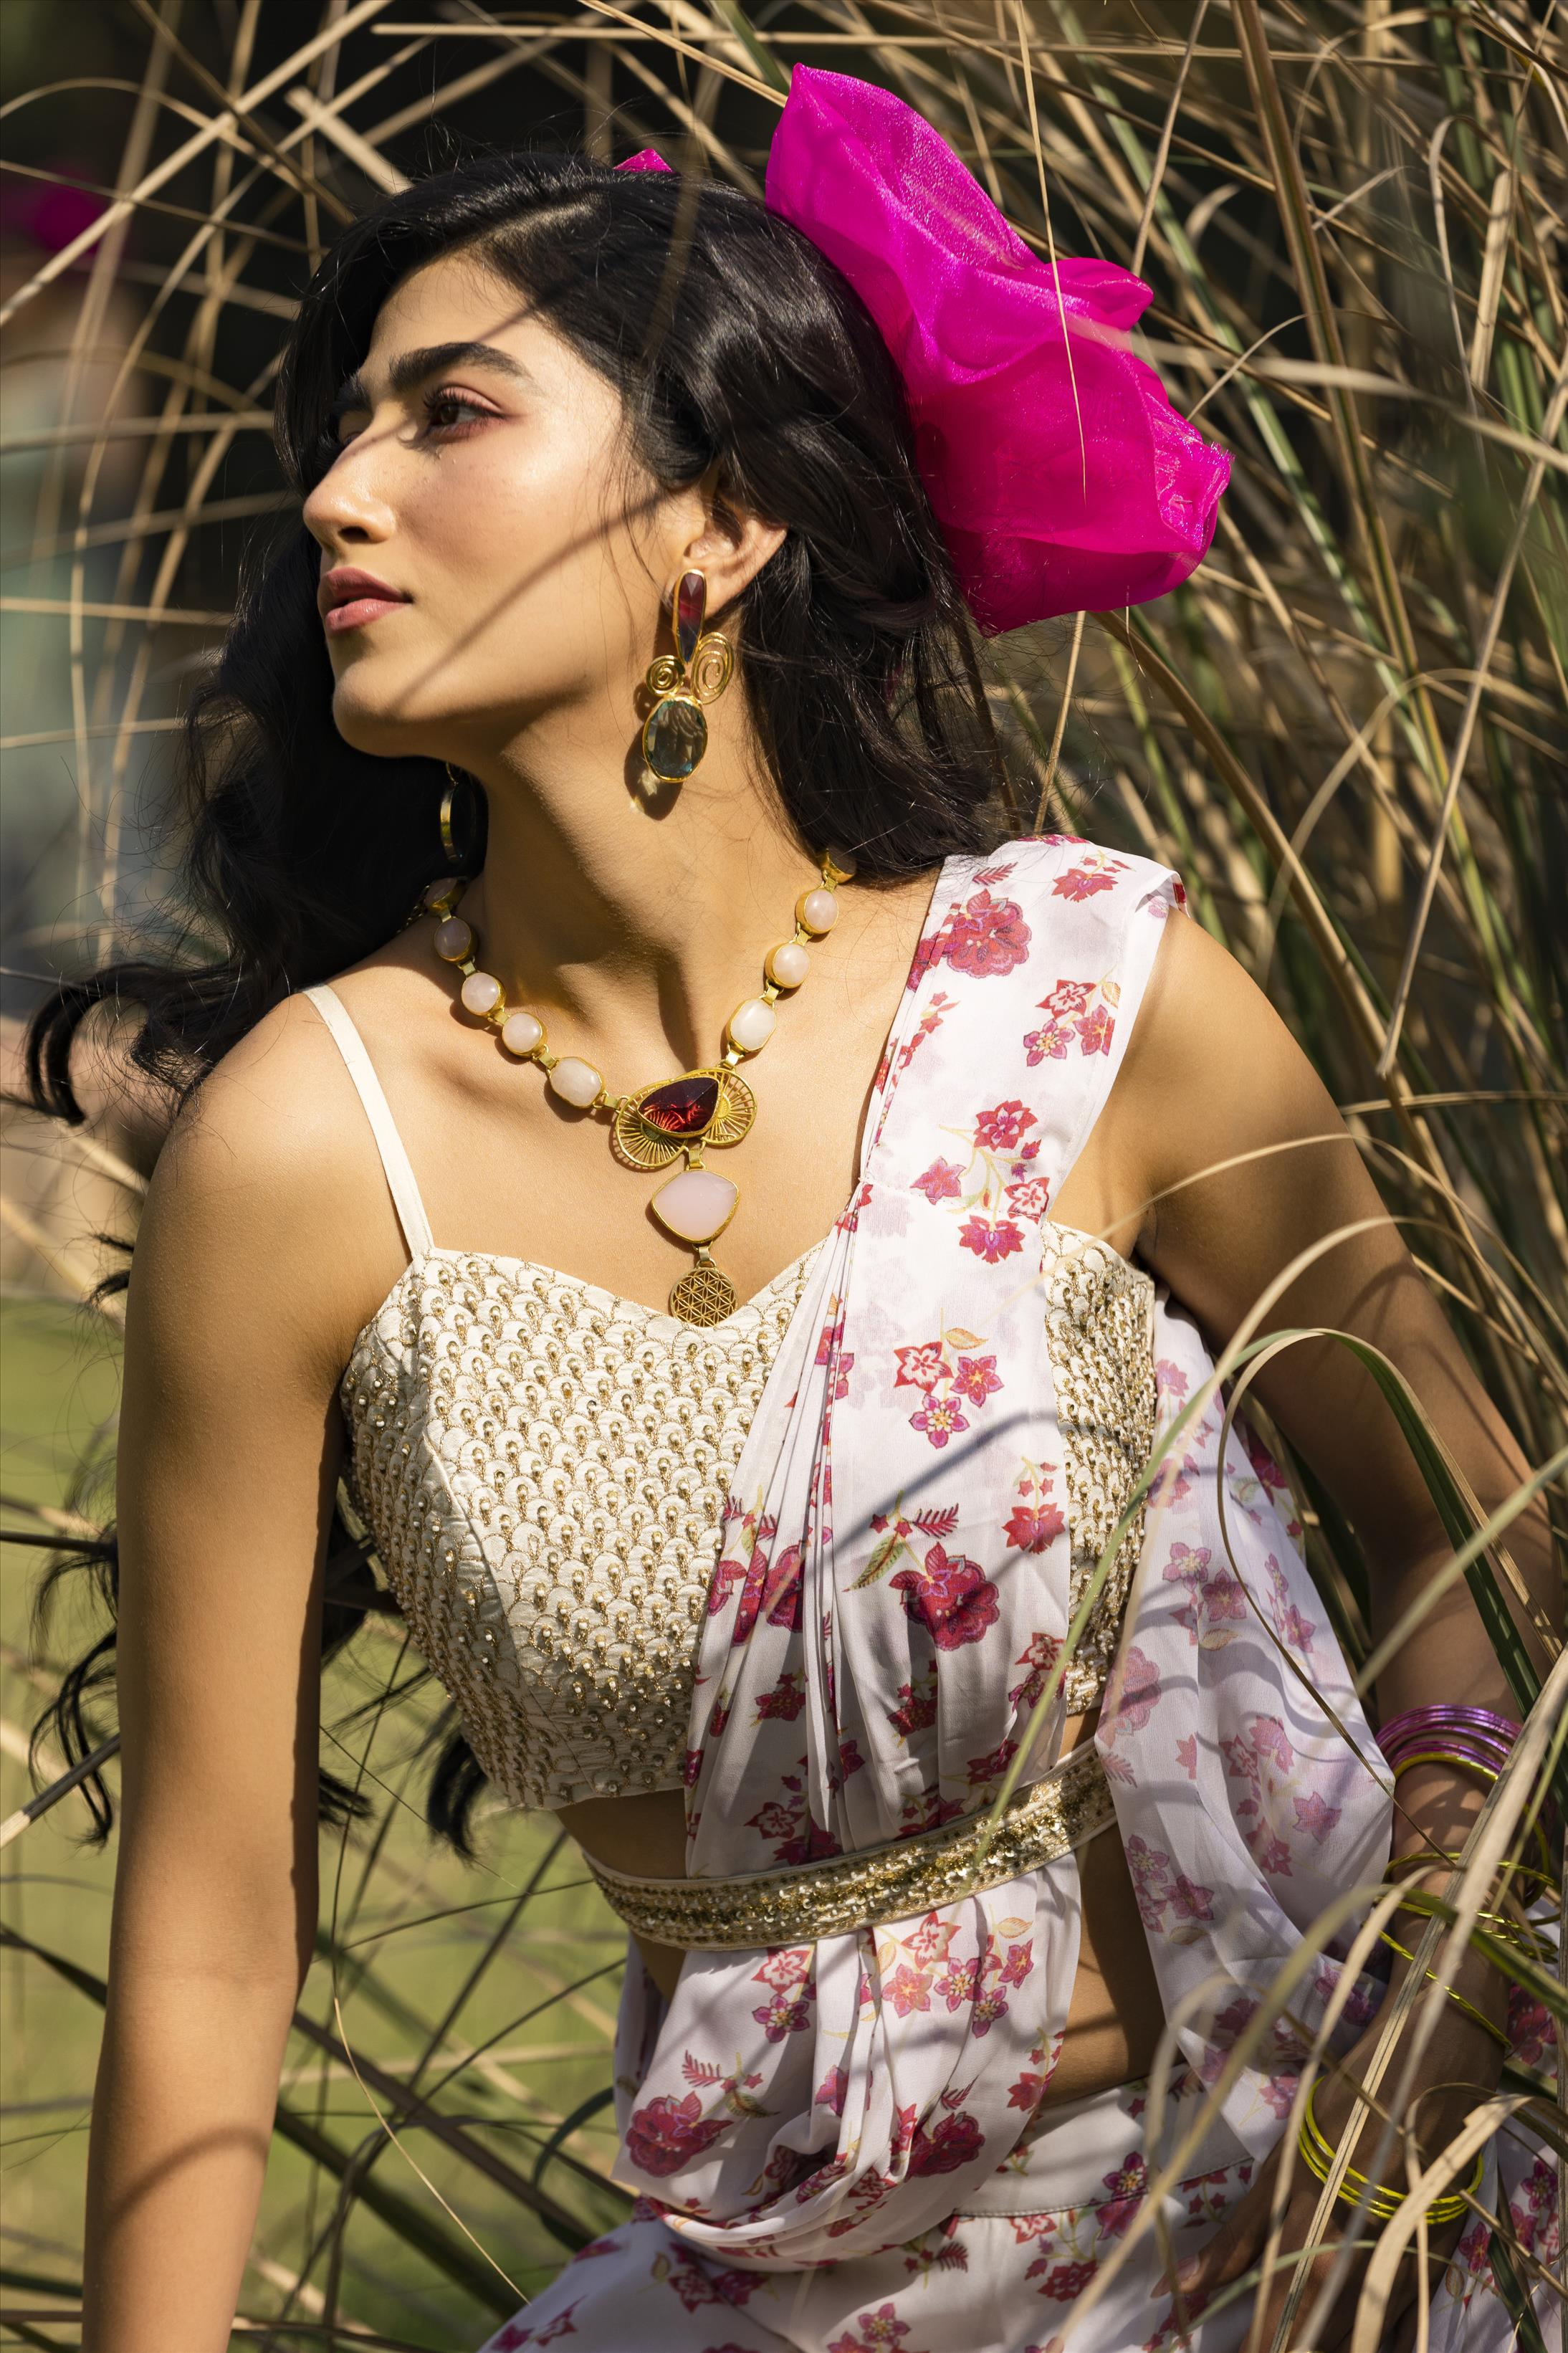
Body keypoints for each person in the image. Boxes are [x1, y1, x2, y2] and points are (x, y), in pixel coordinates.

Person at [35, 67, 1557, 2353]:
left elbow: (1459, 1511)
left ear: (721, 523)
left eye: (446, 412)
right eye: (333, 435)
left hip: (1310, 2216)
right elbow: (215, 1923)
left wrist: (1444, 1952)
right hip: (776, 2288)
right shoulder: (304, 1144)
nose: (338, 493)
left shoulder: (1091, 994)